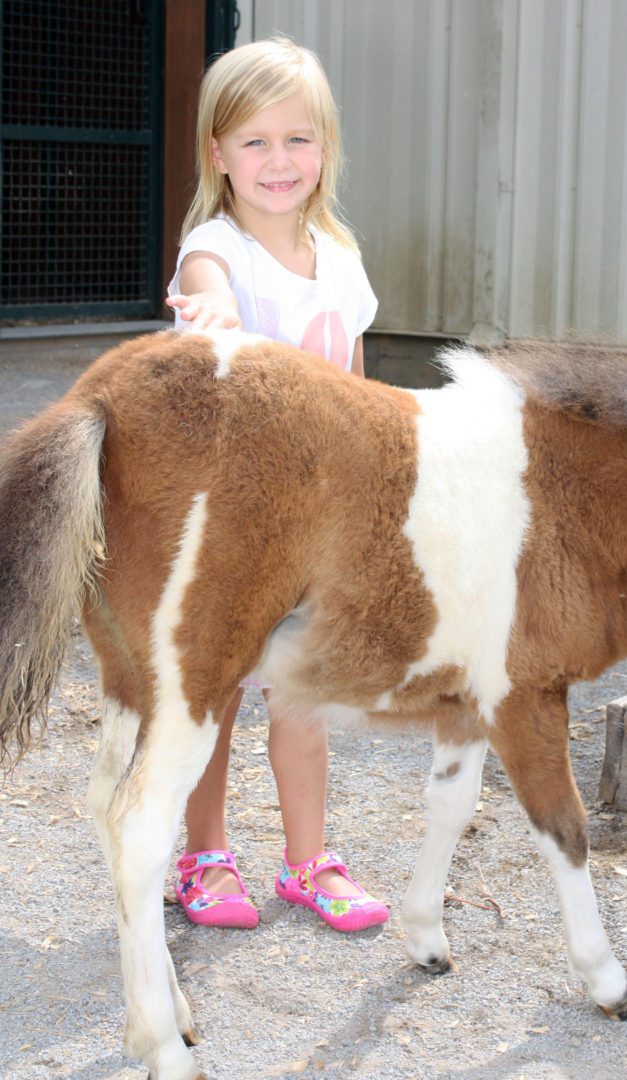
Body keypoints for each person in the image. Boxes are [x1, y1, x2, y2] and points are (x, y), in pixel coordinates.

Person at [165, 36, 388, 934]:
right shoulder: (214, 250)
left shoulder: (340, 257)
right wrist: (214, 308)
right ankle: (205, 855)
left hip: (316, 530)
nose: (279, 160)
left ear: (325, 147)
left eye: (298, 138)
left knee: (302, 694)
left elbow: (358, 392)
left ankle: (308, 862)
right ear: (218, 153)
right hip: (231, 525)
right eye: (254, 141)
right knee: (217, 693)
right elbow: (205, 284)